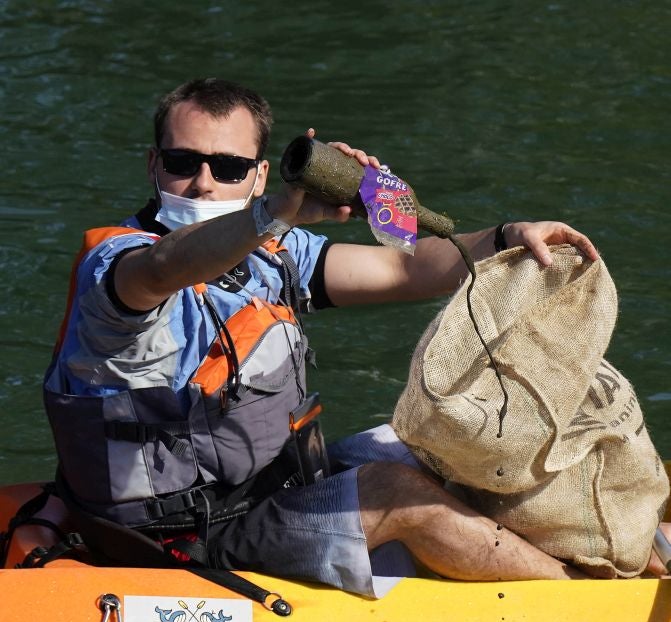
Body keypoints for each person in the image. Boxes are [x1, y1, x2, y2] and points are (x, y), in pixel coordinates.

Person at [43, 77, 666, 595]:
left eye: (228, 167)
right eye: (183, 162)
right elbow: (170, 267)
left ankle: (625, 538)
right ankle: (584, 598)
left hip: (271, 491)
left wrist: (505, 237)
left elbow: (401, 266)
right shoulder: (118, 266)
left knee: (433, 444)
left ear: (258, 175)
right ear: (154, 166)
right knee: (399, 493)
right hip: (180, 536)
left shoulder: (273, 254)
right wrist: (275, 211)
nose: (204, 183)